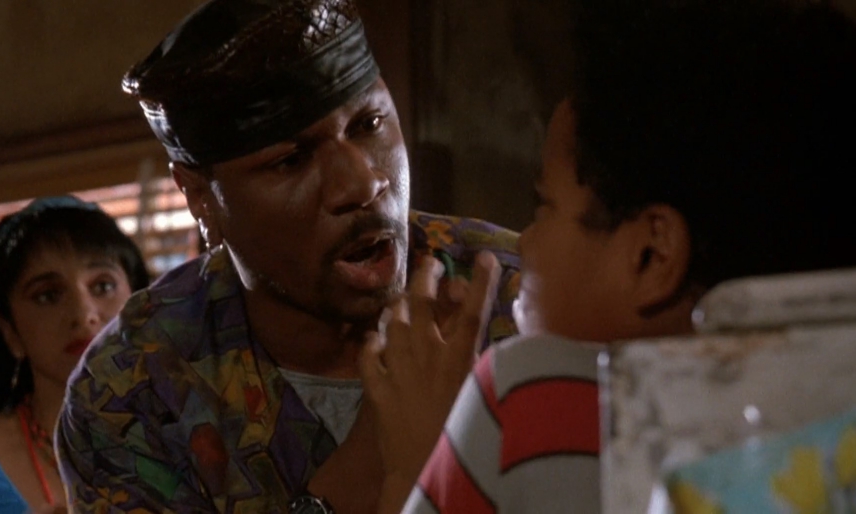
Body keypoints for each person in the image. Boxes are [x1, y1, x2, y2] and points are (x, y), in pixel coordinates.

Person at [361, 0, 856, 512]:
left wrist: (419, 463)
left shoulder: (526, 400)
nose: (526, 242)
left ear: (652, 255)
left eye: (545, 207)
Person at [54, 0, 521, 512]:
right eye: (291, 160)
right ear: (200, 197)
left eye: (368, 125)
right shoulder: (135, 391)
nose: (362, 184)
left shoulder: (518, 296)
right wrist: (374, 462)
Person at [0, 196, 149, 513]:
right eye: (48, 295)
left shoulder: (191, 441)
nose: (83, 315)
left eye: (103, 286)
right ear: (10, 332)